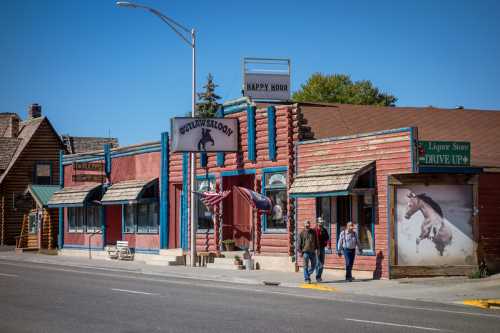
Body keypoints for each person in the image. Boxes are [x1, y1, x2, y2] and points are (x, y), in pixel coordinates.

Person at [314, 217, 330, 282]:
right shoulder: (314, 230)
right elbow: (312, 239)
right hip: (316, 248)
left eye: (322, 222)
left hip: (322, 248)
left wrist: (328, 244)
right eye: (320, 222)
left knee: (322, 263)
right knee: (318, 263)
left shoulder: (324, 230)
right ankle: (318, 277)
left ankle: (319, 276)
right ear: (317, 222)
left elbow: (327, 238)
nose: (321, 223)